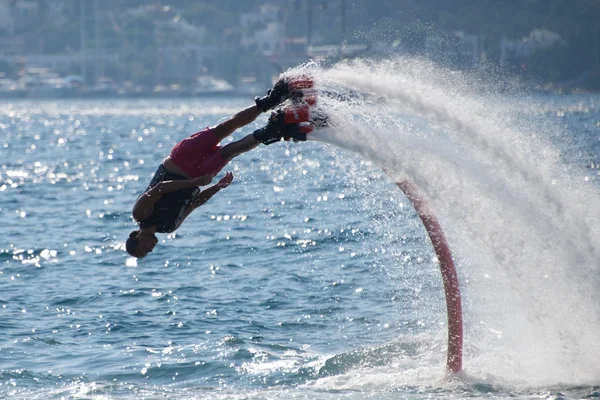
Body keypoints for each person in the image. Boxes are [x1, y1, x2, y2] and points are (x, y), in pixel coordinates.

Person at [126, 77, 315, 258]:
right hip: (198, 176)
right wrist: (217, 187)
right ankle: (272, 130)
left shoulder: (139, 213)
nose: (149, 250)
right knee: (232, 151)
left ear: (135, 237)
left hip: (179, 162)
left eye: (143, 250)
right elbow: (195, 203)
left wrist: (195, 182)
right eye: (147, 253)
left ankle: (271, 100)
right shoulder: (169, 227)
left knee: (224, 128)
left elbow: (160, 188)